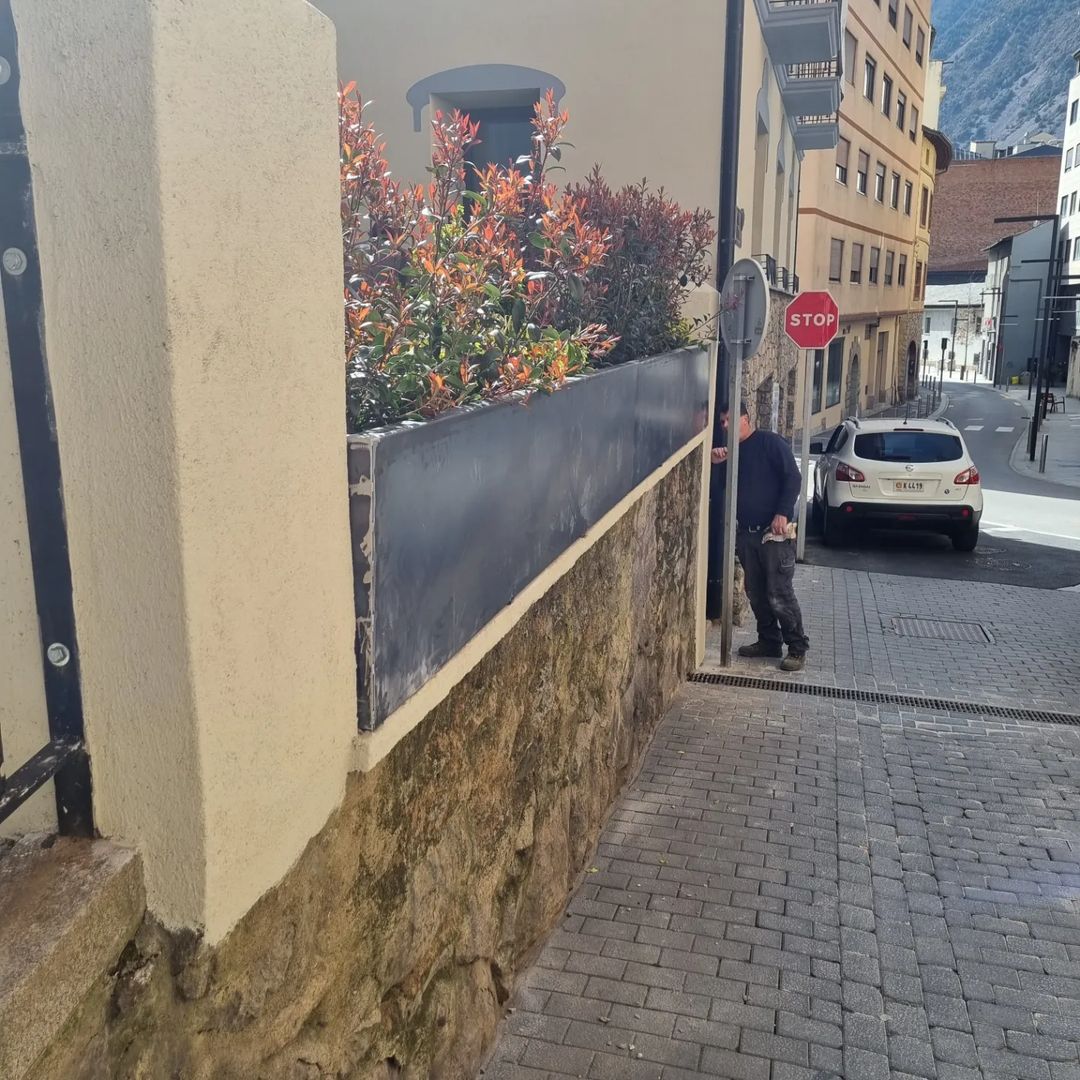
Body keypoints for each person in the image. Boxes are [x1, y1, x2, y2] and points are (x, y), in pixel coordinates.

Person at [711, 401, 809, 671]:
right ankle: (769, 641)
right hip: (747, 533)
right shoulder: (731, 453)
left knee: (779, 592)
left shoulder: (770, 443)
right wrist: (717, 464)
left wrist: (782, 513)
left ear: (746, 418)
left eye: (730, 420)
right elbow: (721, 488)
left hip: (773, 534)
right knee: (755, 592)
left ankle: (797, 648)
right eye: (722, 422)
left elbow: (793, 478)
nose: (726, 426)